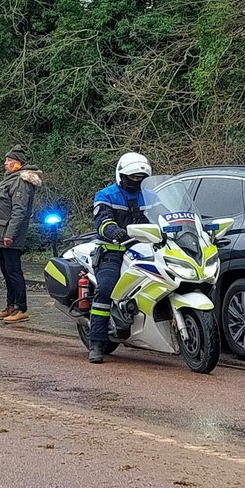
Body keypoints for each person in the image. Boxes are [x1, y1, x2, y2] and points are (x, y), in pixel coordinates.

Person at [87, 152, 154, 363]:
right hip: (112, 251)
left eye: (140, 178)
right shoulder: (106, 195)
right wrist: (112, 230)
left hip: (146, 249)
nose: (136, 181)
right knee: (106, 289)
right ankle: (96, 343)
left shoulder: (152, 195)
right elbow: (102, 220)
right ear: (121, 175)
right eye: (132, 177)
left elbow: (167, 213)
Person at [0, 145, 43, 324]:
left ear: (19, 164)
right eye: (6, 160)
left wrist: (10, 234)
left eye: (9, 161)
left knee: (14, 271)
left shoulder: (21, 182)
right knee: (7, 272)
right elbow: (2, 200)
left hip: (8, 235)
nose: (5, 163)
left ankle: (21, 308)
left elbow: (19, 211)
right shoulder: (10, 179)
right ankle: (11, 305)